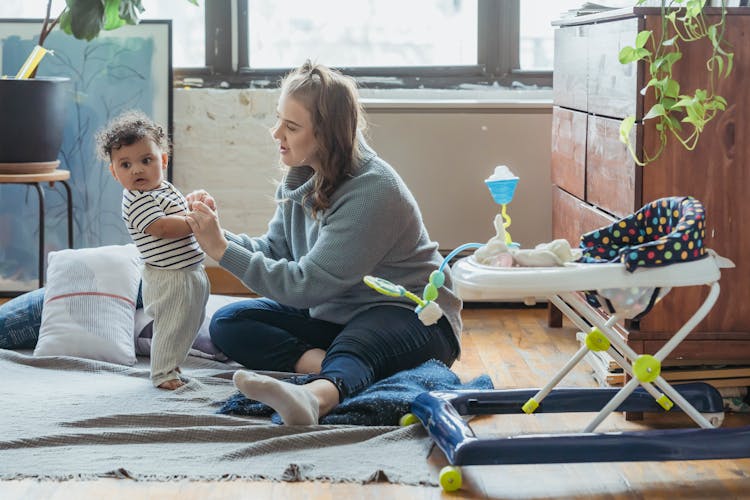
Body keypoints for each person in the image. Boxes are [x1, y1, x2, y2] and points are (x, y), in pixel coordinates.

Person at [185, 60, 462, 425]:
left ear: (328, 136)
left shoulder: (373, 191)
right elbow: (276, 252)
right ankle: (345, 369)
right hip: (337, 312)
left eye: (292, 126)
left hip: (411, 316)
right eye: (279, 119)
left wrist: (220, 250)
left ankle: (315, 398)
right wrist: (213, 234)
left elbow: (303, 285)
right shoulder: (303, 177)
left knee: (360, 340)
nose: (276, 133)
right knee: (229, 322)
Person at [97, 110, 210, 390]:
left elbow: (176, 210)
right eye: (125, 165)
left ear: (163, 160)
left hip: (189, 270)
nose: (136, 170)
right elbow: (162, 227)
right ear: (114, 172)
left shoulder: (161, 190)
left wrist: (194, 203)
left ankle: (173, 362)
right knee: (172, 324)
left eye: (145, 160)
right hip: (169, 277)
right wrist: (196, 221)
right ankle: (162, 372)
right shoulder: (135, 199)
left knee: (189, 322)